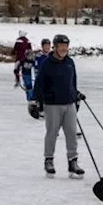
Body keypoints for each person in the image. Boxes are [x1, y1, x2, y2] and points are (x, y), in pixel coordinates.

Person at [30, 34, 85, 177]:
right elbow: (39, 83)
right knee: (52, 133)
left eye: (66, 46)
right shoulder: (47, 64)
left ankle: (73, 162)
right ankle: (49, 160)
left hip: (69, 103)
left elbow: (72, 82)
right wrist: (35, 101)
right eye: (61, 46)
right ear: (55, 47)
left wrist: (76, 95)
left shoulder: (70, 62)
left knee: (72, 133)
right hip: (52, 104)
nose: (64, 49)